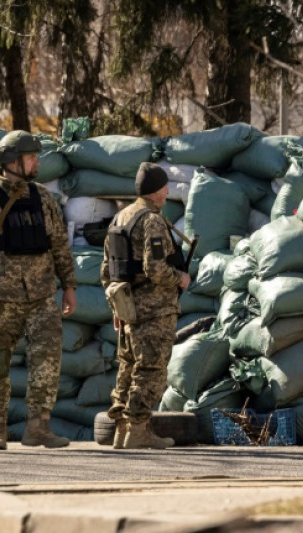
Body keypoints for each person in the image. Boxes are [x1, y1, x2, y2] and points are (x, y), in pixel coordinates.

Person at [0, 130, 78, 451]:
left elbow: (60, 246)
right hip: (1, 297)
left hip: (42, 296)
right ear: (12, 161)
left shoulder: (44, 199)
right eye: (31, 157)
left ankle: (38, 427)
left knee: (47, 361)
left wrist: (70, 286)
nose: (37, 163)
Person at [101, 162, 190, 449]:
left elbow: (107, 269)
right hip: (153, 309)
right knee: (150, 367)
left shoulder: (120, 218)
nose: (167, 193)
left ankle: (122, 430)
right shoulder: (151, 220)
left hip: (128, 307)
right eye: (165, 187)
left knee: (127, 366)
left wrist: (118, 306)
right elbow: (155, 269)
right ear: (157, 190)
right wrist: (181, 278)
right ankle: (138, 430)